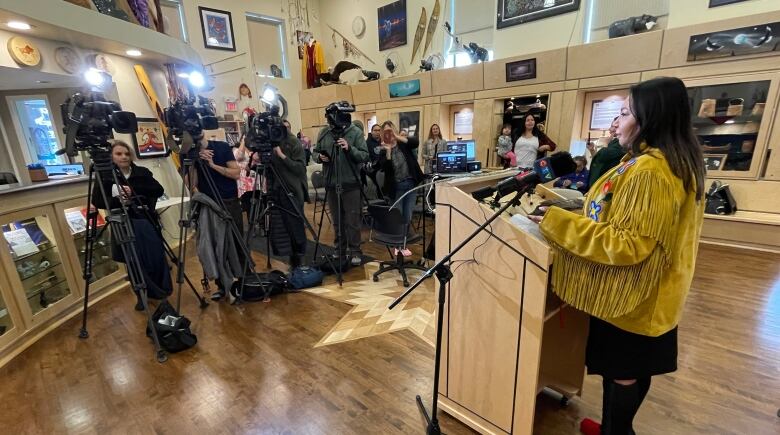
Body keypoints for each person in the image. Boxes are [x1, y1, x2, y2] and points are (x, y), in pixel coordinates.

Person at [530, 77, 706, 435]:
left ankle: (617, 431)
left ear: (650, 119)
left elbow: (627, 244)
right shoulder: (671, 161)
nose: (615, 122)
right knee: (633, 369)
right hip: (653, 292)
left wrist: (557, 222)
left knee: (624, 371)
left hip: (634, 296)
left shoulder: (651, 171)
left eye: (625, 112)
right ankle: (614, 427)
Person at [91, 140, 171, 311]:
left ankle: (160, 292)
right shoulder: (104, 177)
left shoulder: (141, 172)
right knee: (133, 261)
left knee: (154, 257)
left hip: (144, 220)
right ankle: (141, 295)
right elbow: (97, 200)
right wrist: (117, 197)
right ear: (111, 157)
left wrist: (132, 190)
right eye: (118, 154)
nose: (124, 157)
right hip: (122, 223)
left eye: (126, 154)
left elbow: (158, 190)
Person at [191, 134, 242, 301]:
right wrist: (194, 161)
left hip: (229, 202)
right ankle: (222, 285)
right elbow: (191, 185)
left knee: (236, 242)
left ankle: (242, 282)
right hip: (209, 206)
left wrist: (212, 165)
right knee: (214, 247)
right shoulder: (190, 154)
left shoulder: (221, 147)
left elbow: (236, 173)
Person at [313, 116, 369, 266]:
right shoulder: (324, 133)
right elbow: (314, 152)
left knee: (352, 220)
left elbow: (364, 155)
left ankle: (355, 251)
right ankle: (340, 249)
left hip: (350, 183)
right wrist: (319, 157)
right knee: (337, 221)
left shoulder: (355, 132)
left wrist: (350, 148)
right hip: (331, 183)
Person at [377, 120, 424, 255]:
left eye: (390, 130)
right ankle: (397, 245)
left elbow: (415, 142)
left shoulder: (403, 144)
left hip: (410, 185)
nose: (388, 133)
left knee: (408, 215)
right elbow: (384, 168)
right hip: (396, 187)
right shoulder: (382, 148)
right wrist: (388, 152)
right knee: (398, 216)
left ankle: (404, 244)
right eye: (385, 131)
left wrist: (396, 137)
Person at [269, 124, 309, 269]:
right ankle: (290, 257)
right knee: (282, 227)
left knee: (295, 225)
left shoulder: (294, 142)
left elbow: (300, 168)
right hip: (276, 190)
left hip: (292, 190)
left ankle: (300, 257)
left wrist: (282, 156)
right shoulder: (272, 142)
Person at [588, 116, 626, 186]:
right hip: (596, 181)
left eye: (612, 126)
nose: (610, 129)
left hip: (605, 182)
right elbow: (599, 160)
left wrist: (605, 143)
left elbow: (603, 156)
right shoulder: (613, 141)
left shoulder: (621, 143)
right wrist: (592, 150)